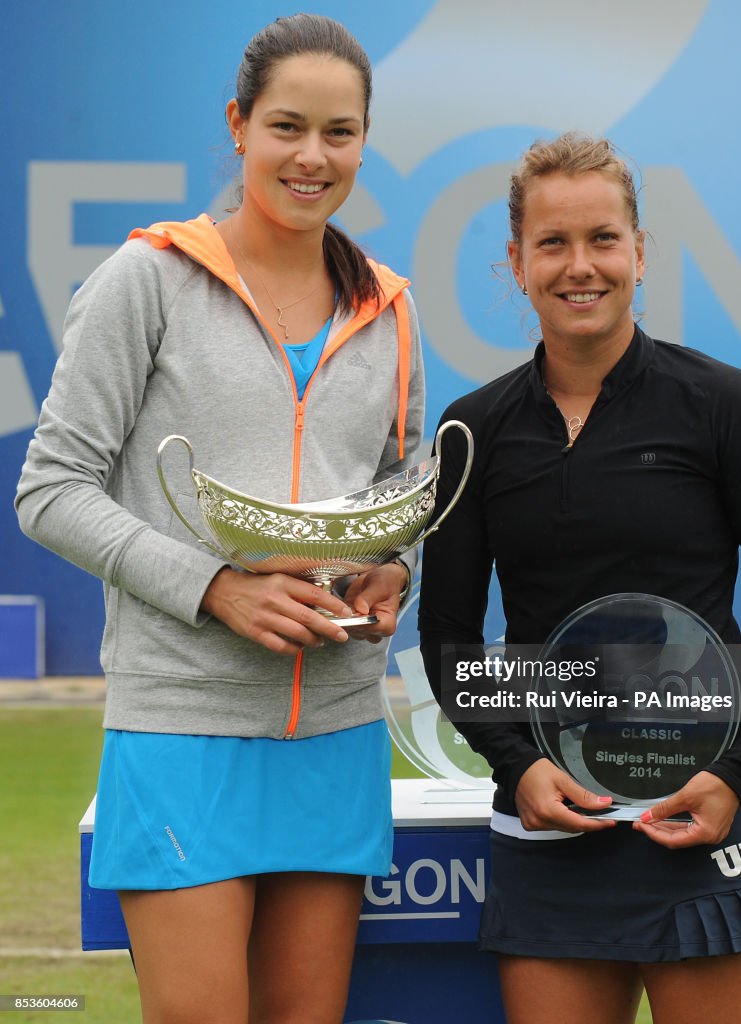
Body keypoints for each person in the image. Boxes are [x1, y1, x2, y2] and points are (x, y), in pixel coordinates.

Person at [16, 14, 424, 1024]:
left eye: (339, 133)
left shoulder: (389, 306)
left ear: (364, 142)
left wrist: (392, 570)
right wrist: (213, 589)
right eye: (287, 126)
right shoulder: (143, 282)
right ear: (239, 125)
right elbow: (50, 488)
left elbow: (393, 492)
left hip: (334, 727)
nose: (311, 156)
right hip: (181, 727)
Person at [418, 132, 741, 1024]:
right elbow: (448, 636)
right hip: (551, 823)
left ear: (639, 252)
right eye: (553, 244)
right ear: (515, 263)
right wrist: (519, 766)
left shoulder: (724, 404)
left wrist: (732, 770)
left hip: (708, 816)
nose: (580, 267)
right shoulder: (471, 429)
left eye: (602, 239)